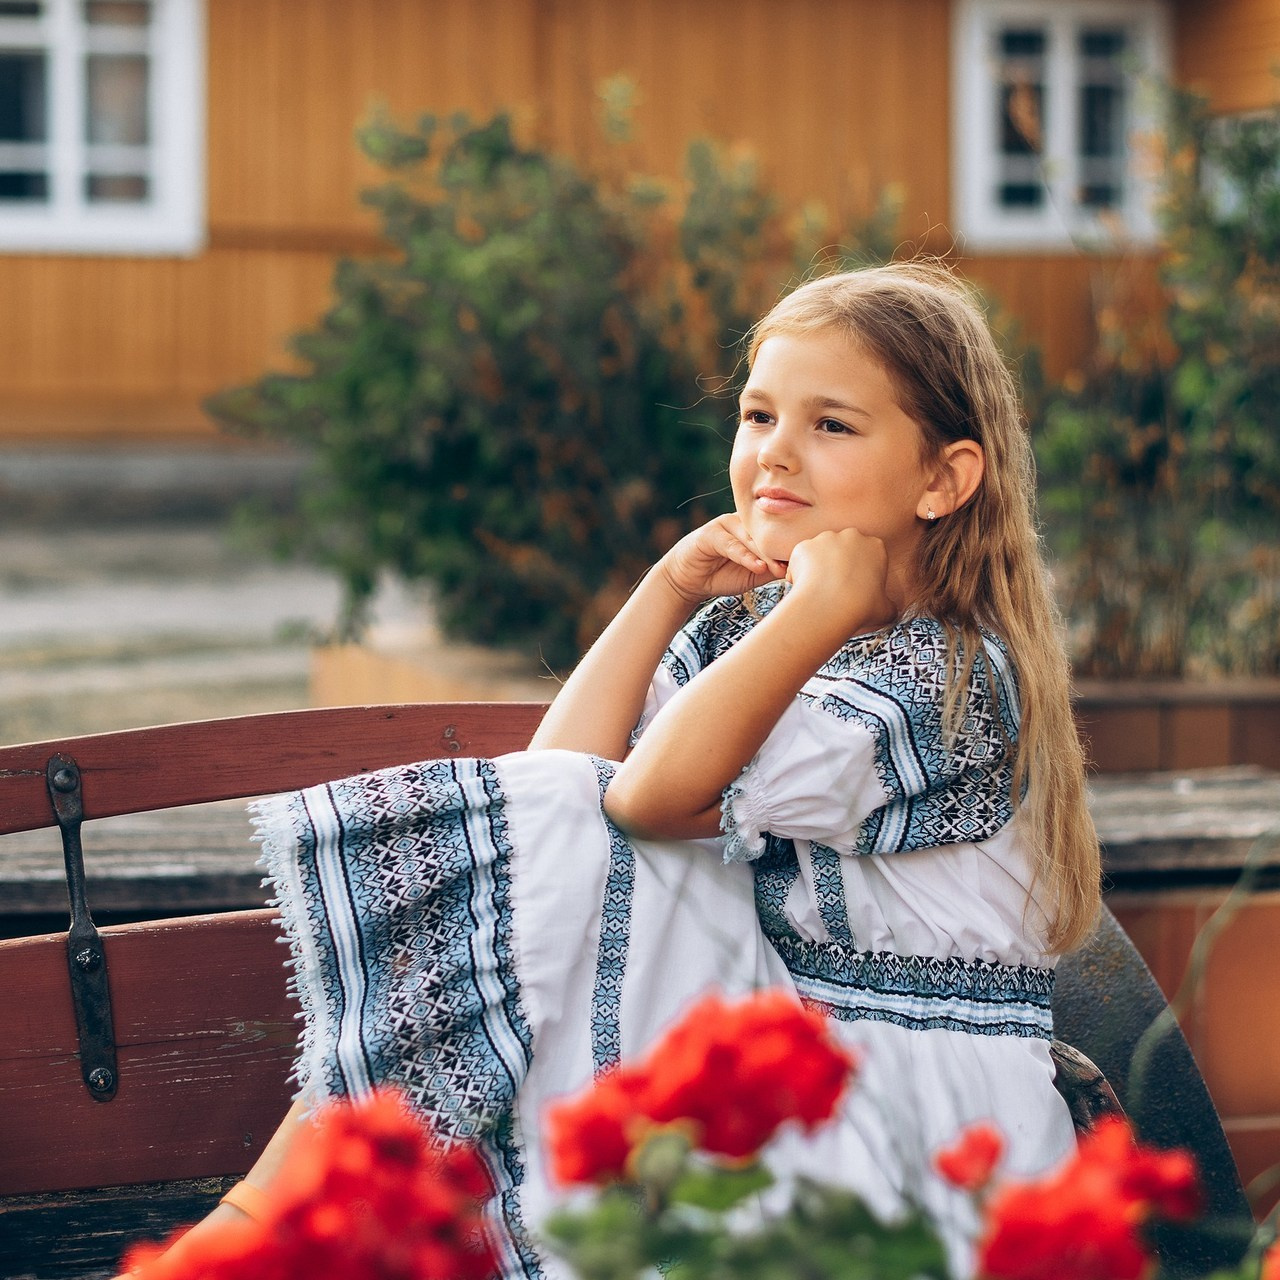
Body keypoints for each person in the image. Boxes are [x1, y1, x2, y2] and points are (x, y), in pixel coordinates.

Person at [157, 262, 1101, 1278]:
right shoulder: (755, 629)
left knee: (588, 837)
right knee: (558, 832)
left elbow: (643, 798)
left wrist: (820, 608)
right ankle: (281, 1209)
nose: (773, 451)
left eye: (830, 425)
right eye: (756, 414)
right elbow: (553, 792)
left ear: (942, 479)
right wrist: (664, 588)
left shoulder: (949, 673)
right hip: (793, 1054)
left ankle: (269, 1222)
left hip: (919, 1108)